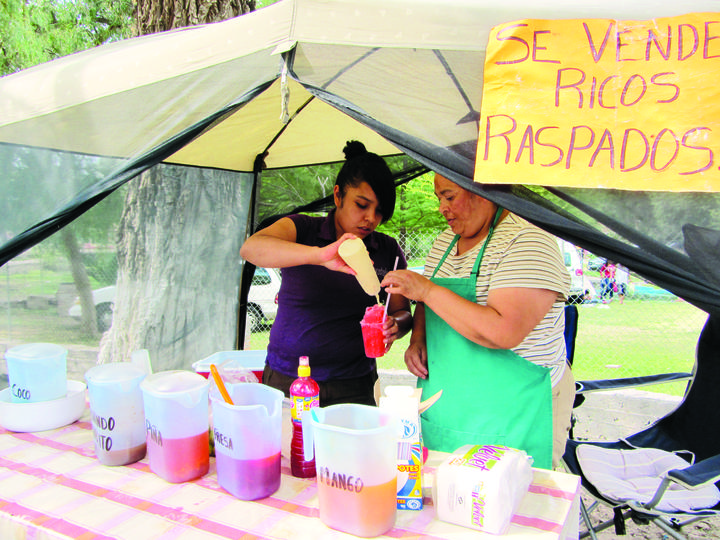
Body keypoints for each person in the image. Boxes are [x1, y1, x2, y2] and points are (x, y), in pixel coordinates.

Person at [381, 174, 574, 469]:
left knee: (510, 501)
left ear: (481, 192)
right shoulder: (446, 240)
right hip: (448, 407)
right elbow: (426, 305)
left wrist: (427, 290)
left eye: (449, 196)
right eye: (439, 199)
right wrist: (418, 339)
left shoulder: (529, 241)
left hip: (513, 411)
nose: (442, 208)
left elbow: (502, 331)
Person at [240, 141, 412, 406]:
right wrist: (319, 255)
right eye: (361, 205)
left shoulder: (387, 249)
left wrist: (395, 325)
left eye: (379, 211)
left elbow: (401, 312)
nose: (370, 218)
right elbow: (251, 248)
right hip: (289, 378)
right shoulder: (303, 228)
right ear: (337, 196)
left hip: (353, 383)